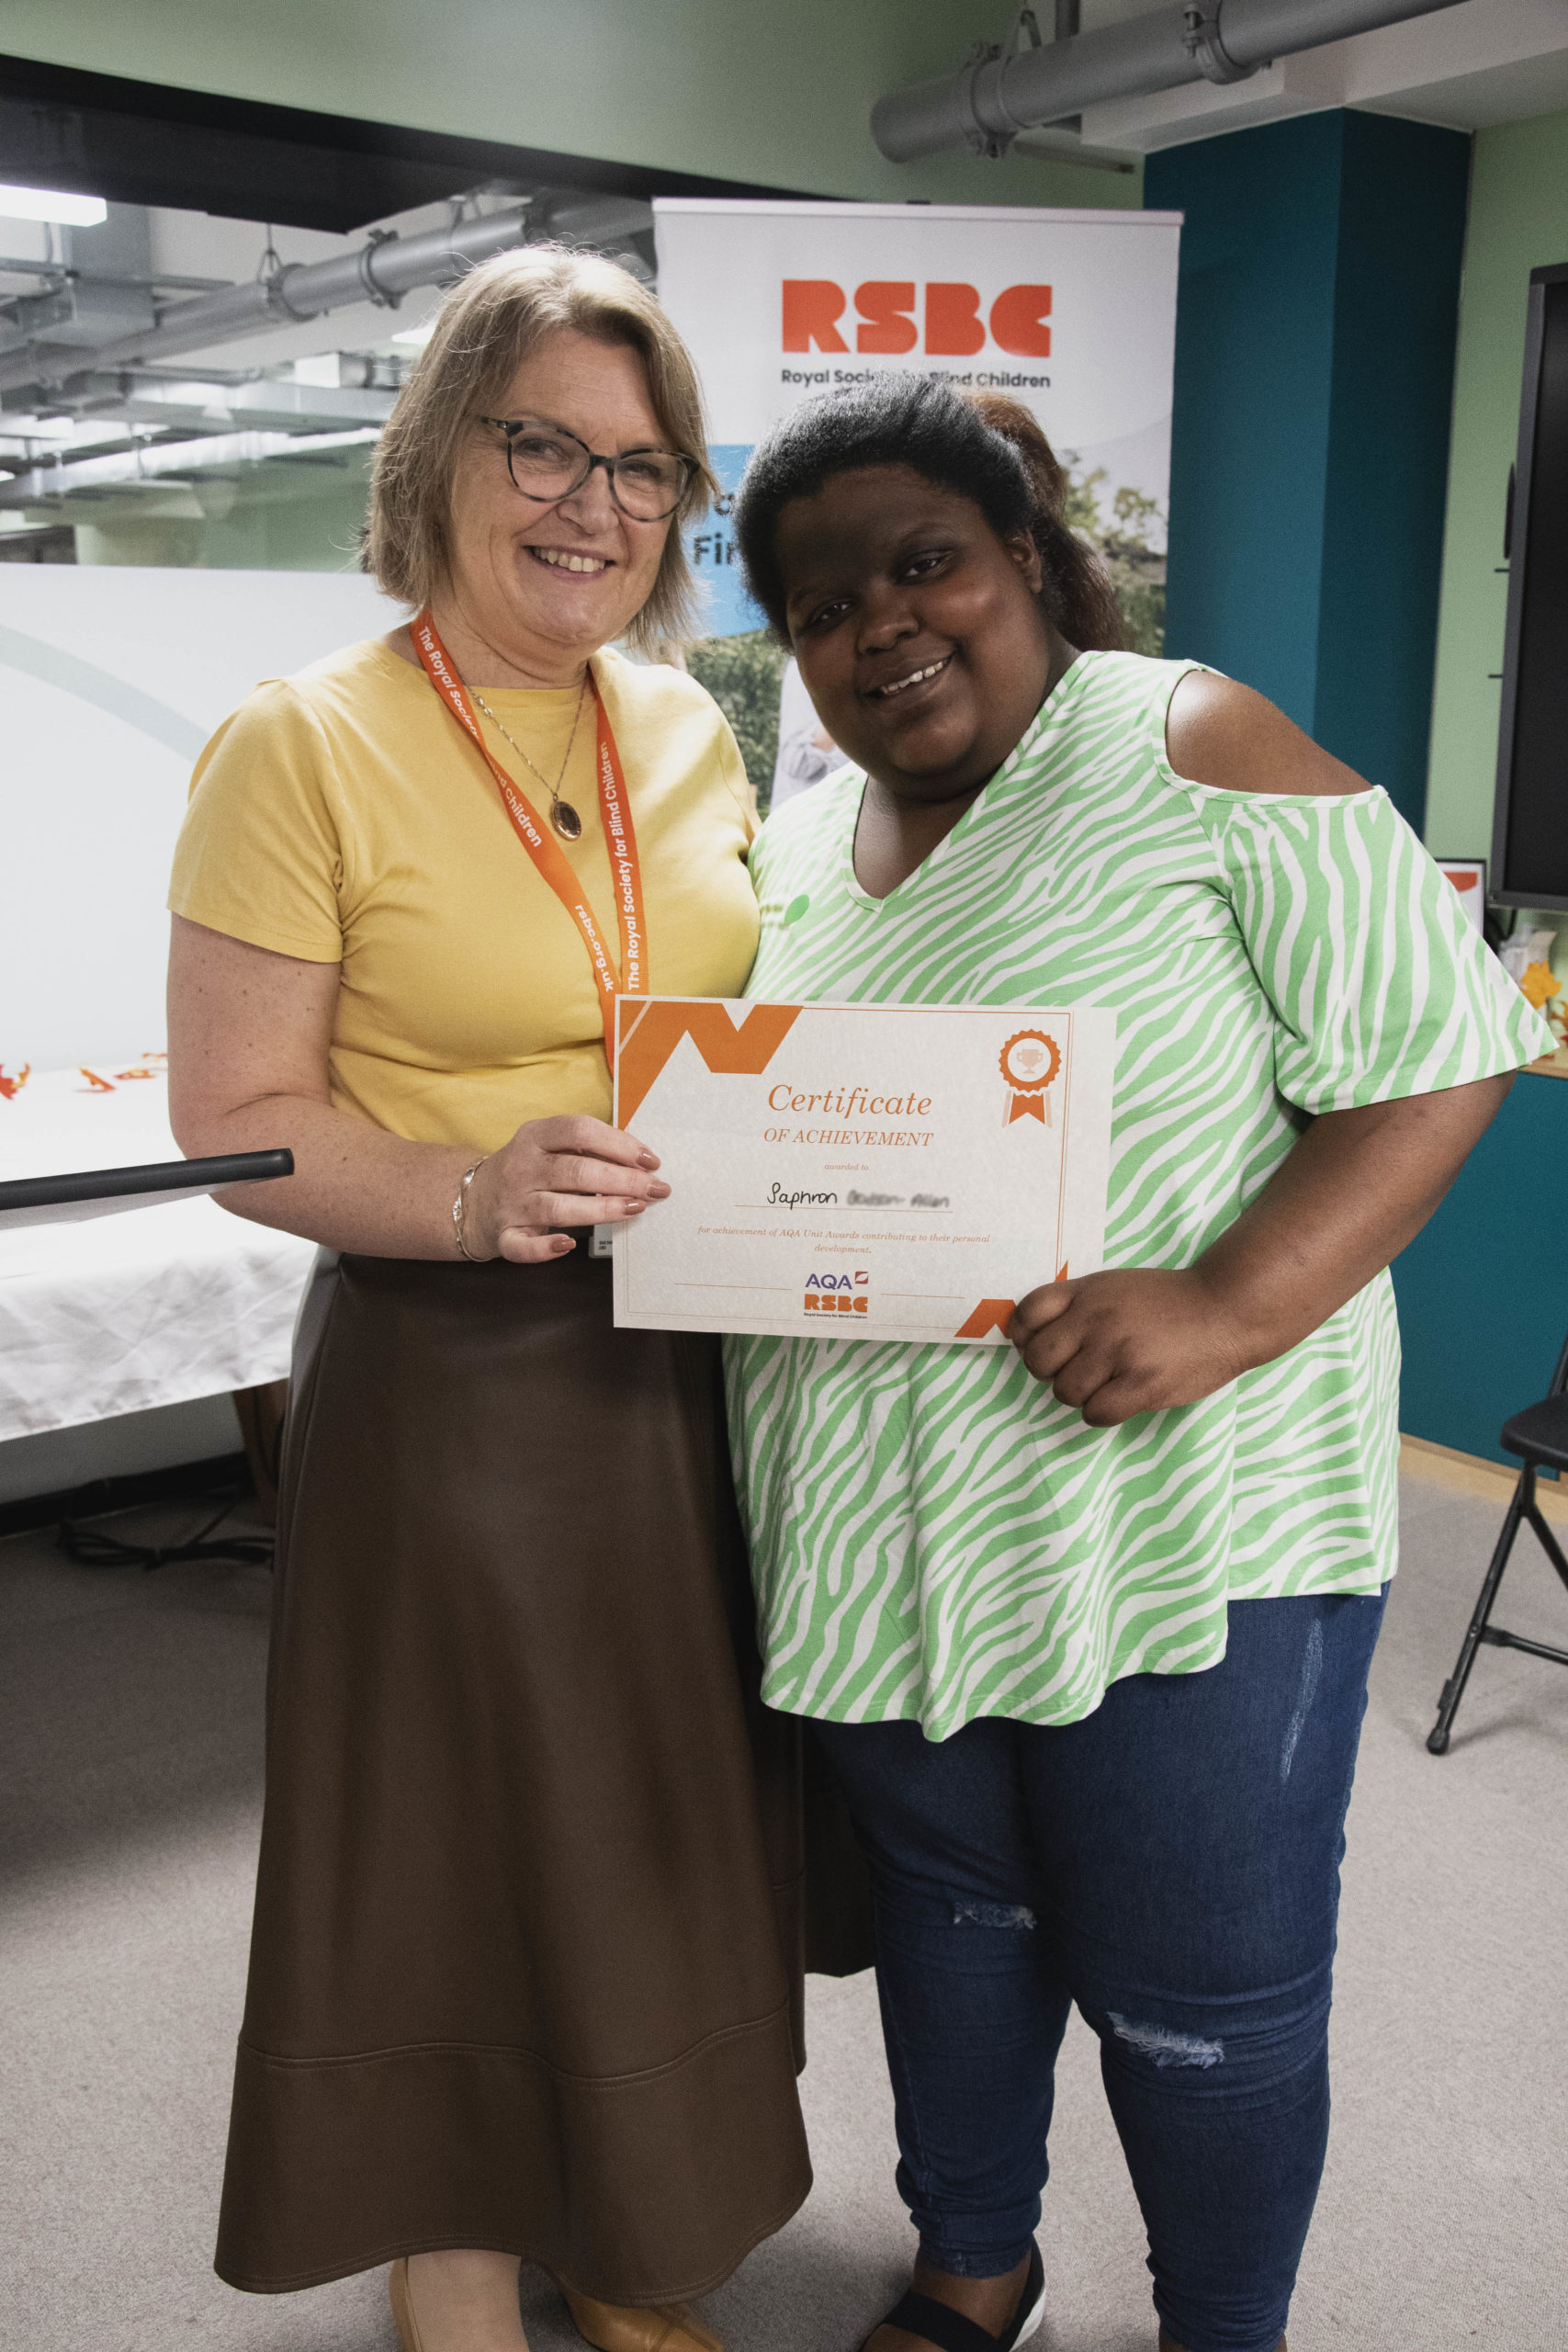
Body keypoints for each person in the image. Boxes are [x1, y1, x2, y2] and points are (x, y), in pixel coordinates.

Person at [725, 376, 1551, 2352]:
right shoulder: (803, 834)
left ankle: (1222, 2331)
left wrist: (1228, 1297)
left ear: (1026, 557)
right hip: (880, 1525)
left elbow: (1439, 1044)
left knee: (1205, 1992)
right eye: (820, 607)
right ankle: (972, 2257)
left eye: (922, 561)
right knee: (951, 1923)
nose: (876, 626)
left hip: (1182, 1517)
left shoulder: (1183, 732)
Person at [166, 246, 823, 2352]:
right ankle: (448, 2265)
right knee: (450, 1855)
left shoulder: (686, 725)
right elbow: (236, 1116)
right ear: (442, 448)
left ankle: (632, 2240)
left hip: (686, 1366)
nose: (587, 503)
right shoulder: (303, 742)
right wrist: (470, 1182)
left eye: (640, 467)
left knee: (651, 1834)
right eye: (539, 440)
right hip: (451, 1377)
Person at [771, 654, 842, 811]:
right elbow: (795, 759)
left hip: (851, 817)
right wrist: (847, 708)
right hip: (807, 819)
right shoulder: (803, 667)